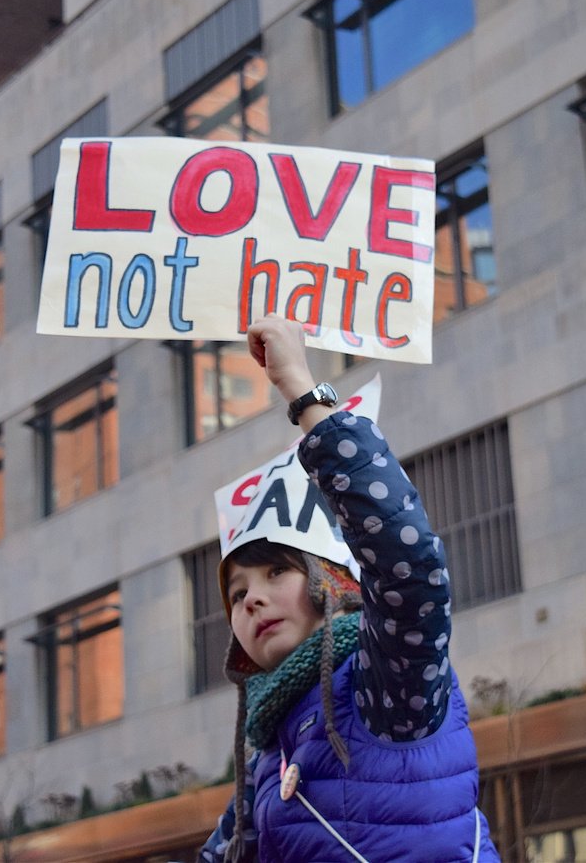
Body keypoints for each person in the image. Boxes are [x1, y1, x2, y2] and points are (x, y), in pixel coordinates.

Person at [198, 315, 500, 862]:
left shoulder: (385, 686)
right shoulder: (267, 755)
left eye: (276, 573)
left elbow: (409, 566)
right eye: (237, 594)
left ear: (334, 584)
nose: (252, 600)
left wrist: (304, 393)